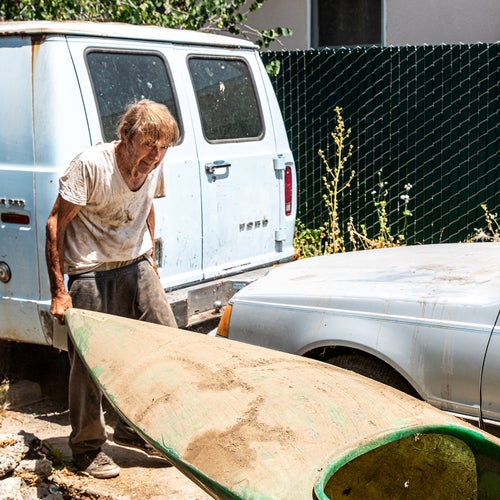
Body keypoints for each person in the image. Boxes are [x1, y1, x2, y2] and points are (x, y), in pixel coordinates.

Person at [45, 99, 179, 479]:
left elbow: (147, 203)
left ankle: (132, 427)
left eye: (163, 146)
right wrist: (59, 290)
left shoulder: (155, 166)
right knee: (90, 362)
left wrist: (150, 252)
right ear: (125, 136)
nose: (156, 155)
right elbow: (55, 224)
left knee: (167, 343)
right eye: (149, 144)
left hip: (135, 264)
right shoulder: (91, 165)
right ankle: (86, 448)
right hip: (89, 269)